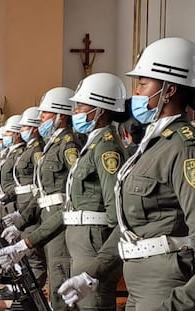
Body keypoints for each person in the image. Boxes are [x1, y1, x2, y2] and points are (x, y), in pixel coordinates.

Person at [59, 37, 195, 311]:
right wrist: (92, 273)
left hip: (165, 285)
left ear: (169, 90)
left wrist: (180, 302)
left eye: (144, 83)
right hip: (137, 281)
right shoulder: (153, 144)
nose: (137, 92)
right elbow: (127, 226)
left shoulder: (183, 146)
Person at [0, 88, 81, 309]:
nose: (41, 120)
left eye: (45, 115)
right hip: (44, 213)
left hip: (60, 217)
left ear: (61, 115)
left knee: (59, 272)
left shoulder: (68, 144)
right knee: (51, 267)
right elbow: (41, 188)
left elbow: (75, 186)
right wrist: (21, 218)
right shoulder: (53, 144)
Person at [62, 72, 130, 311]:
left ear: (100, 110)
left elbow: (115, 209)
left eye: (81, 105)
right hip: (84, 237)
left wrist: (106, 253)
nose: (75, 111)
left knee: (94, 304)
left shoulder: (107, 146)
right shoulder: (92, 144)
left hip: (96, 241)